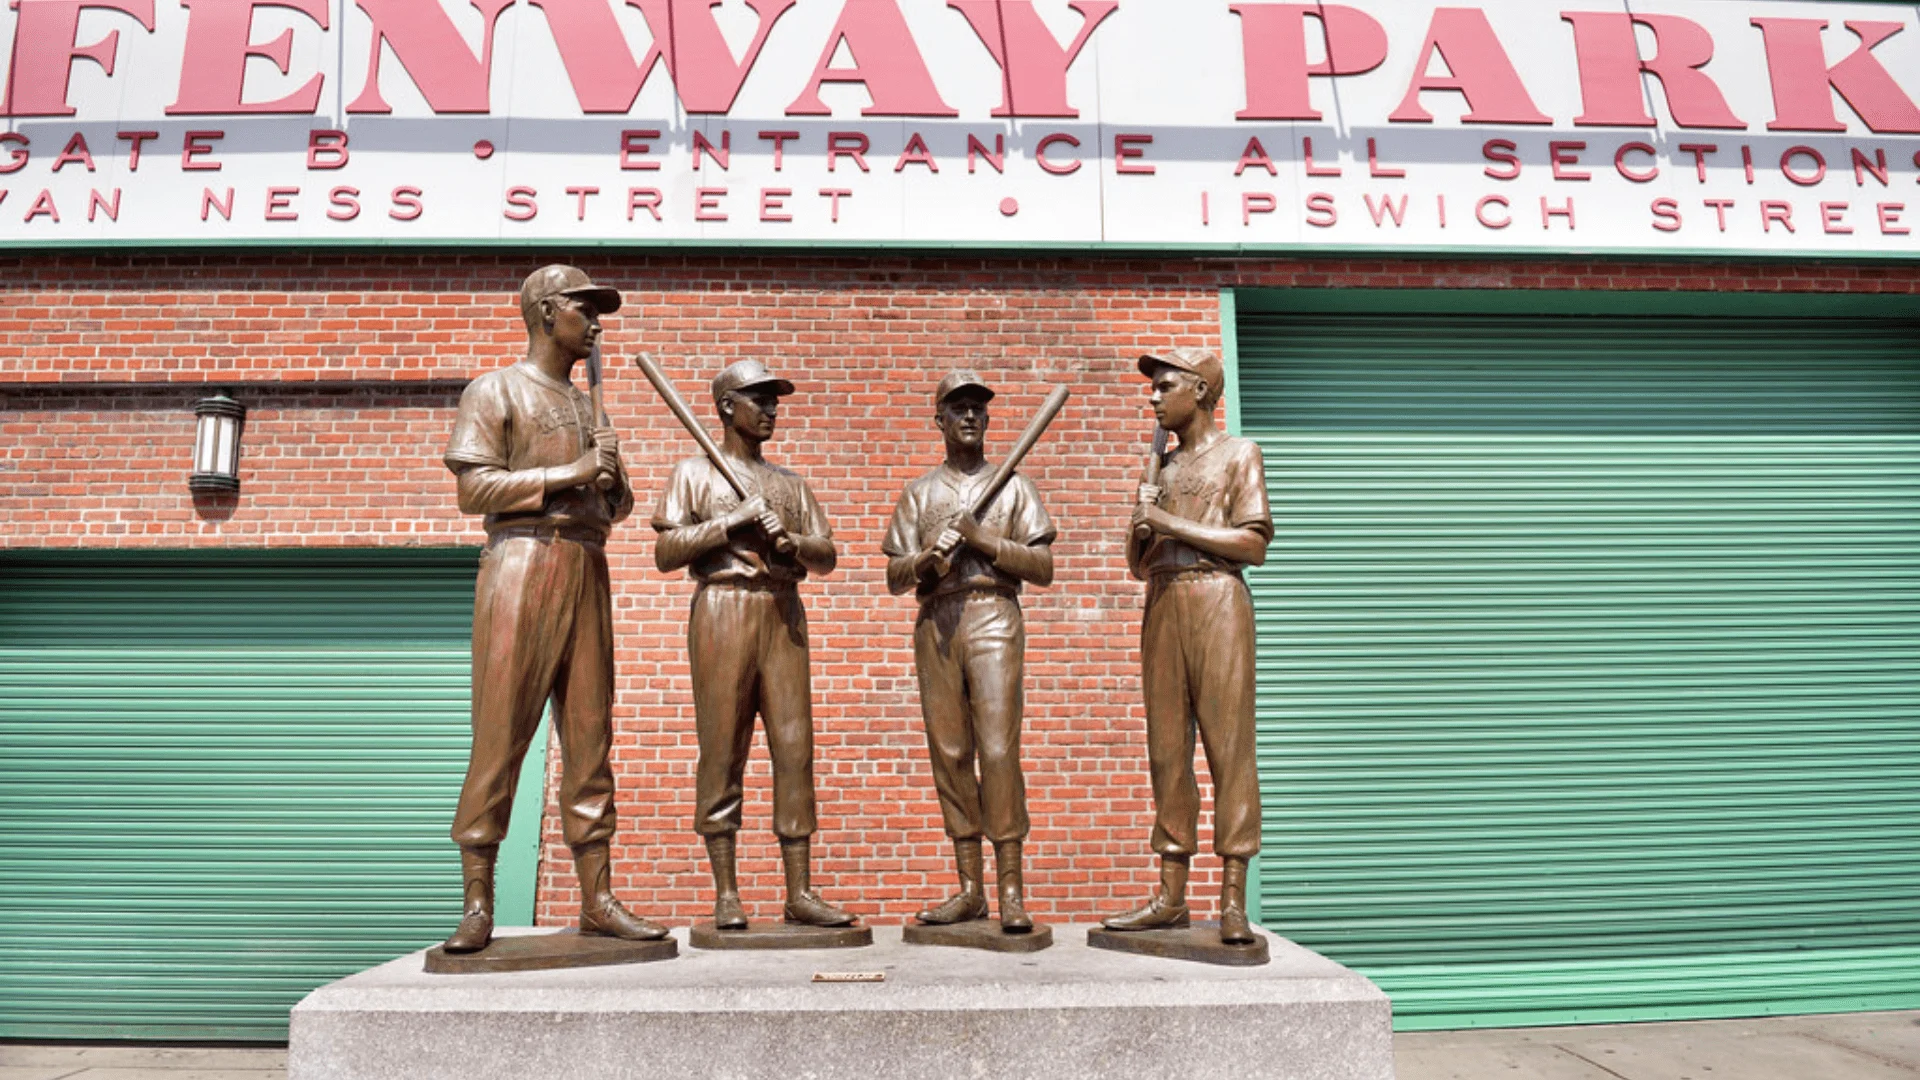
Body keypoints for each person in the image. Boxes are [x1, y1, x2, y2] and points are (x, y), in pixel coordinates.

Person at [439, 264, 668, 953]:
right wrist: (573, 472)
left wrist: (613, 480)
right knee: (500, 736)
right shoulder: (496, 389)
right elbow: (475, 491)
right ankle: (477, 902)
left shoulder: (588, 405)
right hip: (521, 561)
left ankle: (597, 898)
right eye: (583, 309)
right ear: (545, 312)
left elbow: (617, 506)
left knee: (591, 739)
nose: (595, 324)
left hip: (586, 565)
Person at [651, 360, 854, 930]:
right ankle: (726, 893)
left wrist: (793, 545)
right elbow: (666, 553)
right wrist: (731, 523)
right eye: (758, 399)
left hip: (782, 612)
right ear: (726, 406)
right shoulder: (693, 473)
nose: (770, 409)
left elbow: (827, 555)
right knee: (722, 750)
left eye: (774, 400)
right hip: (723, 609)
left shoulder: (790, 484)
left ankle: (800, 892)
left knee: (795, 750)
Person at [1103, 347, 1272, 946]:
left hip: (1218, 599)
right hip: (1163, 601)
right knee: (1167, 753)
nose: (1153, 397)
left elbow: (1253, 545)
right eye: (1152, 388)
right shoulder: (1162, 468)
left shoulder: (1238, 454)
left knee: (1229, 749)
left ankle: (1232, 900)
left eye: (1164, 386)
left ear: (1199, 391)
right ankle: (1170, 897)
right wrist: (1142, 517)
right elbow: (1136, 564)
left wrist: (1169, 523)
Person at [882, 372, 1055, 932]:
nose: (972, 416)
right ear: (939, 419)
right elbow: (894, 575)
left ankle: (1011, 890)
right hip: (937, 620)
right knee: (950, 752)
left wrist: (983, 541)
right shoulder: (920, 493)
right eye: (959, 408)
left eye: (979, 407)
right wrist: (926, 560)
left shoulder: (1015, 488)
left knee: (998, 749)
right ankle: (970, 889)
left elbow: (1042, 567)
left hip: (993, 613)